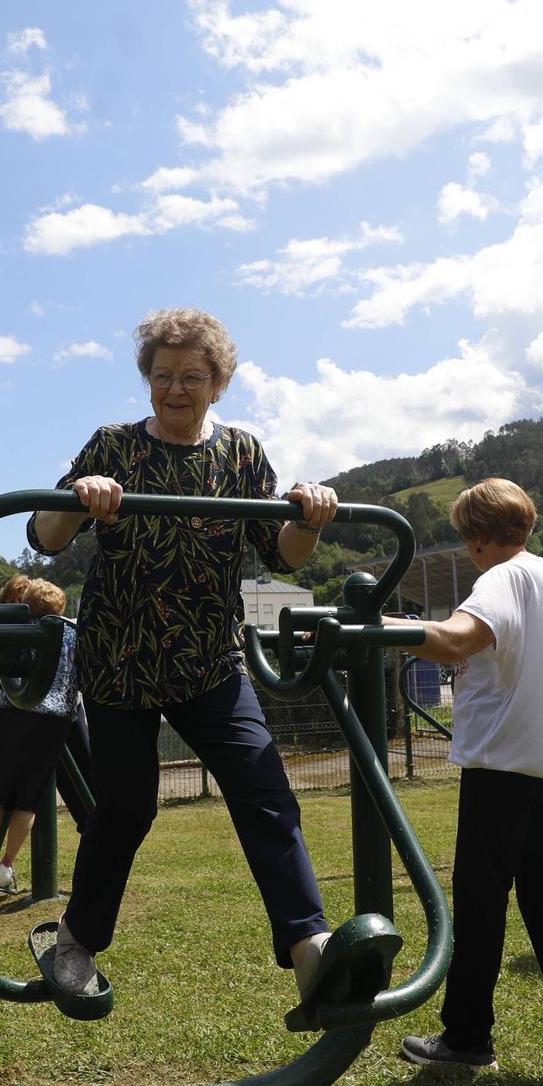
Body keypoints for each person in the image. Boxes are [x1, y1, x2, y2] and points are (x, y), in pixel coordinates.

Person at [27, 307, 340, 1002]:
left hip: (209, 660)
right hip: (121, 661)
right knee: (128, 807)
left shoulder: (242, 453)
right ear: (148, 381)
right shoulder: (111, 444)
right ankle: (76, 941)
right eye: (163, 375)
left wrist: (308, 517)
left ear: (217, 383)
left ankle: (310, 945)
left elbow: (281, 553)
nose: (176, 388)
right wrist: (82, 497)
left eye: (191, 376)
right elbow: (46, 536)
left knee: (264, 790)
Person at [392, 481, 543, 1086]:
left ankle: (467, 1039)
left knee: (479, 908)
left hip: (506, 772)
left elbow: (458, 639)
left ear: (474, 537)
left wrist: (371, 626)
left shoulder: (501, 578)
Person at [0, 577, 80, 898]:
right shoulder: (74, 636)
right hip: (56, 721)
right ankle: (7, 866)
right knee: (28, 801)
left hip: (17, 714)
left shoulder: (22, 632)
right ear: (60, 606)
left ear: (28, 604)